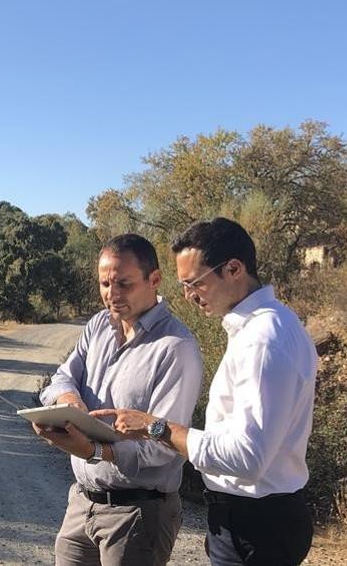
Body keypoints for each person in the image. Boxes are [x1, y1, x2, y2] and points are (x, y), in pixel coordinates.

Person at [106, 218, 317, 565]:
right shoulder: (272, 325)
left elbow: (247, 458)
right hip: (257, 521)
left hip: (256, 526)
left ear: (233, 268)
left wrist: (157, 428)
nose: (188, 296)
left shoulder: (262, 340)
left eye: (195, 284)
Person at [35, 233, 203, 566]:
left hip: (139, 513)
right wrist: (69, 401)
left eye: (124, 284)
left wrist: (95, 451)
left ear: (154, 279)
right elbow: (60, 379)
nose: (112, 295)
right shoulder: (98, 325)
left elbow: (164, 442)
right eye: (105, 284)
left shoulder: (176, 348)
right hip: (82, 504)